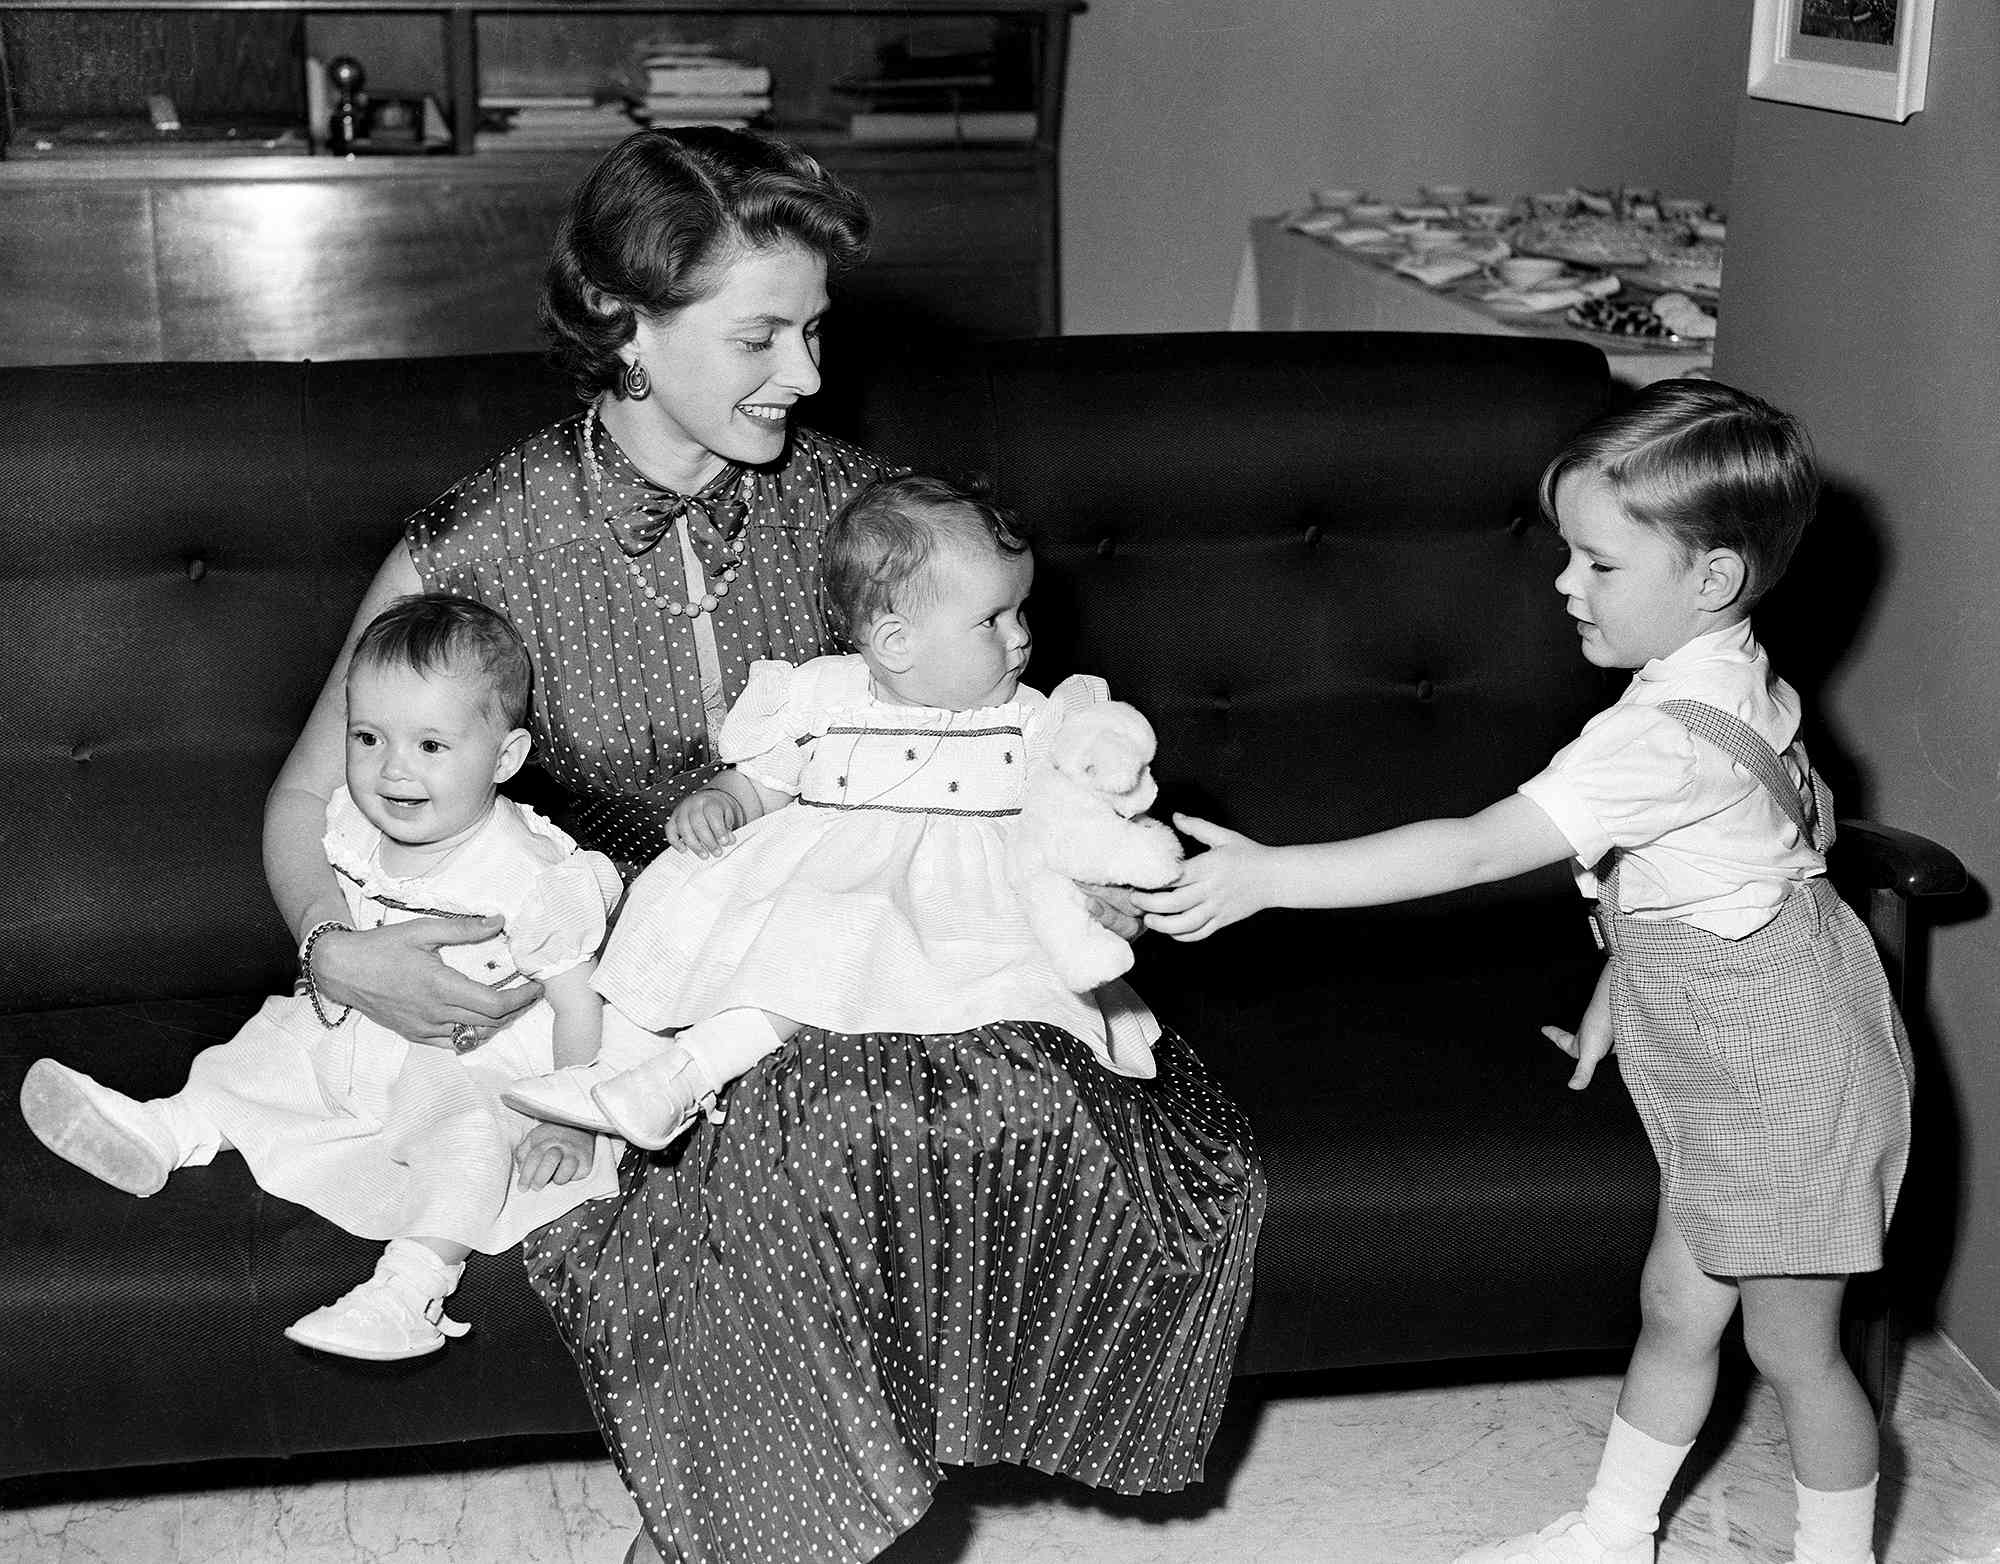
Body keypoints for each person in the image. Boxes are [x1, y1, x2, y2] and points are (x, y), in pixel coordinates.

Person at [263, 127, 1264, 1564]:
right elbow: (307, 807)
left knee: (919, 1111)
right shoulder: (476, 542)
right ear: (626, 327)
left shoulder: (868, 521)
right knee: (810, 1134)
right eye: (761, 336)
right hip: (612, 980)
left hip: (868, 966)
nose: (804, 373)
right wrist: (338, 949)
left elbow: (995, 751)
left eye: (813, 331)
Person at [1139, 378, 1911, 1564]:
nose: (1563, 583)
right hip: (1738, 1040)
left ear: (1708, 580)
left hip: (1784, 1074)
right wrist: (1625, 987)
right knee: (1672, 1307)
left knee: (1792, 1350)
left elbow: (1472, 845)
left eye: (1598, 565)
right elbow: (1739, 860)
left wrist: (1271, 876)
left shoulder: (1654, 739)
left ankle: (1836, 1551)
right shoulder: (1726, 672)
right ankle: (1611, 1532)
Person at [19, 593, 628, 1361]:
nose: (392, 769)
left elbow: (581, 1007)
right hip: (364, 1029)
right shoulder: (350, 823)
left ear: (504, 759)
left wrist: (569, 1116)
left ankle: (410, 1287)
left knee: (468, 1142)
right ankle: (168, 1128)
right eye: (368, 736)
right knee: (270, 1042)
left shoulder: (534, 873)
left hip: (475, 1056)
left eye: (431, 746)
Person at [502, 472, 1171, 1150]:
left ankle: (681, 1077)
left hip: (964, 924)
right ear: (895, 643)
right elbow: (763, 784)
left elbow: (1083, 819)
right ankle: (618, 1068)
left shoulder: (1029, 721)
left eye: (1019, 612)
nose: (1020, 638)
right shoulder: (825, 697)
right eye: (991, 621)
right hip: (823, 896)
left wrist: (1114, 870)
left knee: (851, 942)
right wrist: (723, 801)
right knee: (701, 919)